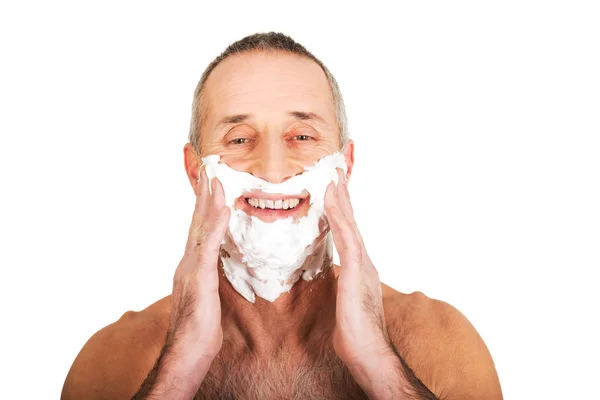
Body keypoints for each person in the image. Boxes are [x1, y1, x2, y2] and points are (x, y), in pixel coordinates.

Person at [61, 32, 503, 400]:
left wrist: (376, 361)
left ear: (344, 166)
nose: (271, 169)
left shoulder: (439, 342)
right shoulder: (113, 360)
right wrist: (181, 365)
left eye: (302, 135)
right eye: (238, 140)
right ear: (196, 171)